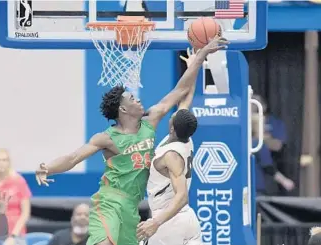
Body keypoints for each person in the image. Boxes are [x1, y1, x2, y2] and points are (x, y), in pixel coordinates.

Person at [35, 37, 229, 245]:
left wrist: (200, 57)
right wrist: (49, 168)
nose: (137, 99)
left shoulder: (151, 120)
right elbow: (73, 157)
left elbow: (180, 91)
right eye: (131, 98)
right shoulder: (107, 138)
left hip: (132, 206)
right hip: (109, 201)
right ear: (123, 109)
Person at [137, 48, 201, 245]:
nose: (172, 114)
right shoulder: (185, 138)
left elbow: (182, 196)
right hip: (188, 220)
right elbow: (185, 99)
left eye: (172, 116)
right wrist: (193, 67)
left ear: (172, 128)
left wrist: (155, 222)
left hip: (168, 220)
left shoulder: (171, 156)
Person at [251, 115, 295, 195]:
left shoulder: (244, 144)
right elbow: (268, 167)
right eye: (263, 124)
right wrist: (284, 181)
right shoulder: (258, 144)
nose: (265, 127)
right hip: (257, 188)